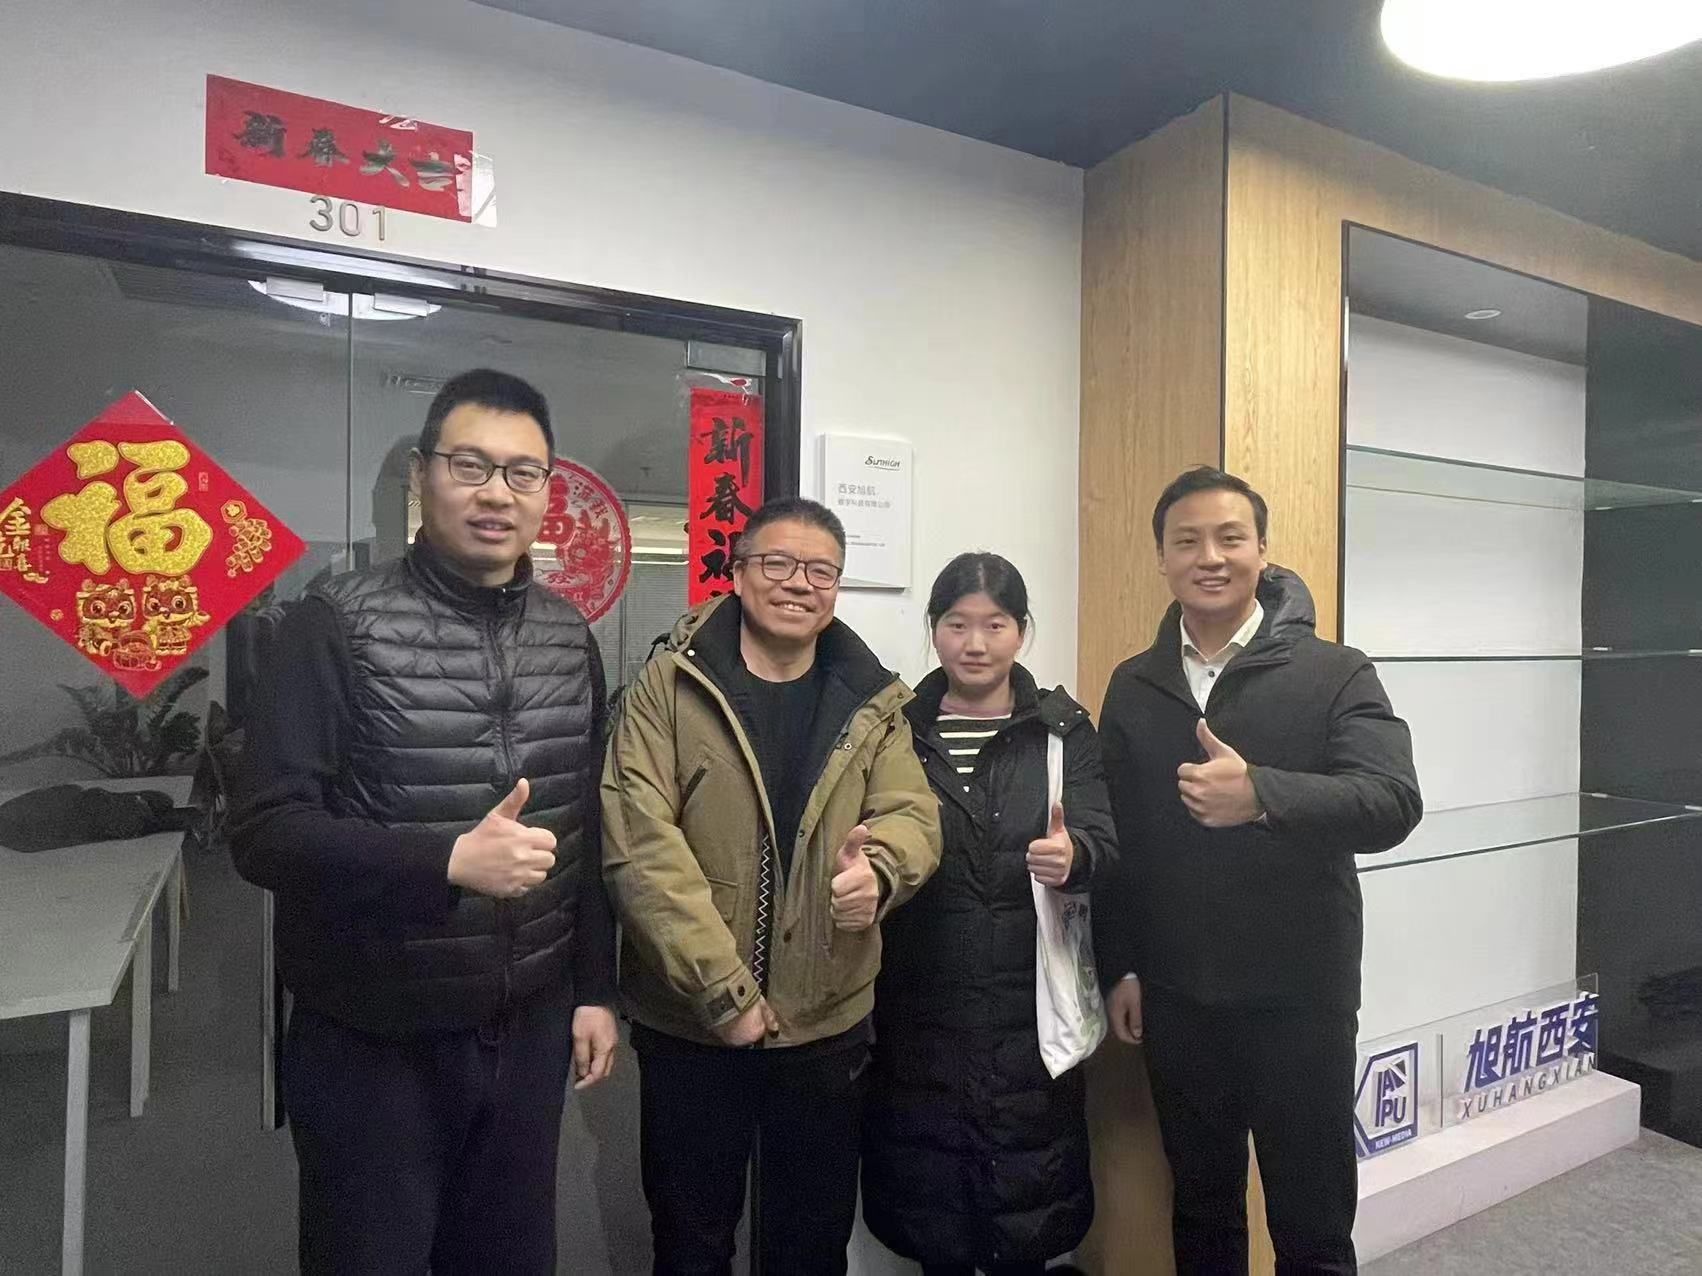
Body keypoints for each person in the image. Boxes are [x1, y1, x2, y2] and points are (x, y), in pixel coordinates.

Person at [231, 369, 619, 1276]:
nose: (496, 493)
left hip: (525, 1031)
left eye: (523, 473)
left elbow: (586, 831)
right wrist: (443, 860)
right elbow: (265, 829)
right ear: (422, 475)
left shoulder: (569, 638)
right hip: (374, 1036)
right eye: (469, 465)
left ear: (546, 493)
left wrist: (595, 989)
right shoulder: (334, 624)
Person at [601, 495, 942, 1276]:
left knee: (811, 1245)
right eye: (778, 563)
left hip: (825, 1022)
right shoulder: (670, 685)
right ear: (739, 570)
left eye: (820, 571)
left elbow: (912, 815)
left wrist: (880, 870)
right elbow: (640, 847)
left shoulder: (873, 699)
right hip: (692, 1023)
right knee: (691, 1242)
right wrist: (722, 994)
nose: (798, 583)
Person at [1094, 466, 1422, 1276]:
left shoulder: (1334, 671)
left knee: (1312, 1222)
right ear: (1162, 559)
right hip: (1177, 997)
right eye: (1187, 541)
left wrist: (1262, 795)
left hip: (1298, 996)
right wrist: (1122, 964)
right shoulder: (1135, 685)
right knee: (1201, 1208)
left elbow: (1392, 801)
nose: (1210, 557)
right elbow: (1119, 839)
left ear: (1263, 551)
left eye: (1229, 538)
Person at [861, 553, 1117, 1276]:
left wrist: (1076, 855)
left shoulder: (1062, 731)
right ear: (934, 629)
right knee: (933, 1213)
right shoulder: (894, 730)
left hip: (1030, 1006)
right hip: (918, 1002)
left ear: (1022, 631)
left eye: (995, 625)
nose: (975, 644)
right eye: (957, 624)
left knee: (1025, 1212)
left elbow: (1103, 835)